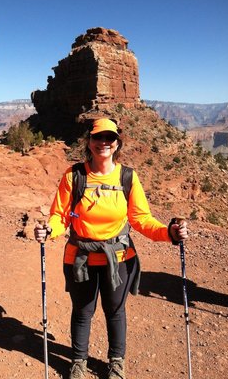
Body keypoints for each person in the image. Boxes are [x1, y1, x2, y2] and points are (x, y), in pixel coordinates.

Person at [34, 118, 188, 379]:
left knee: (115, 311)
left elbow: (141, 219)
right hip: (80, 258)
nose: (103, 143)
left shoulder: (128, 177)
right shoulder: (74, 176)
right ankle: (79, 362)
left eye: (110, 138)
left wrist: (169, 233)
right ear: (89, 141)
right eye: (98, 137)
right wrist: (49, 231)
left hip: (119, 259)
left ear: (117, 143)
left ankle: (116, 363)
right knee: (82, 312)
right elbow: (59, 217)